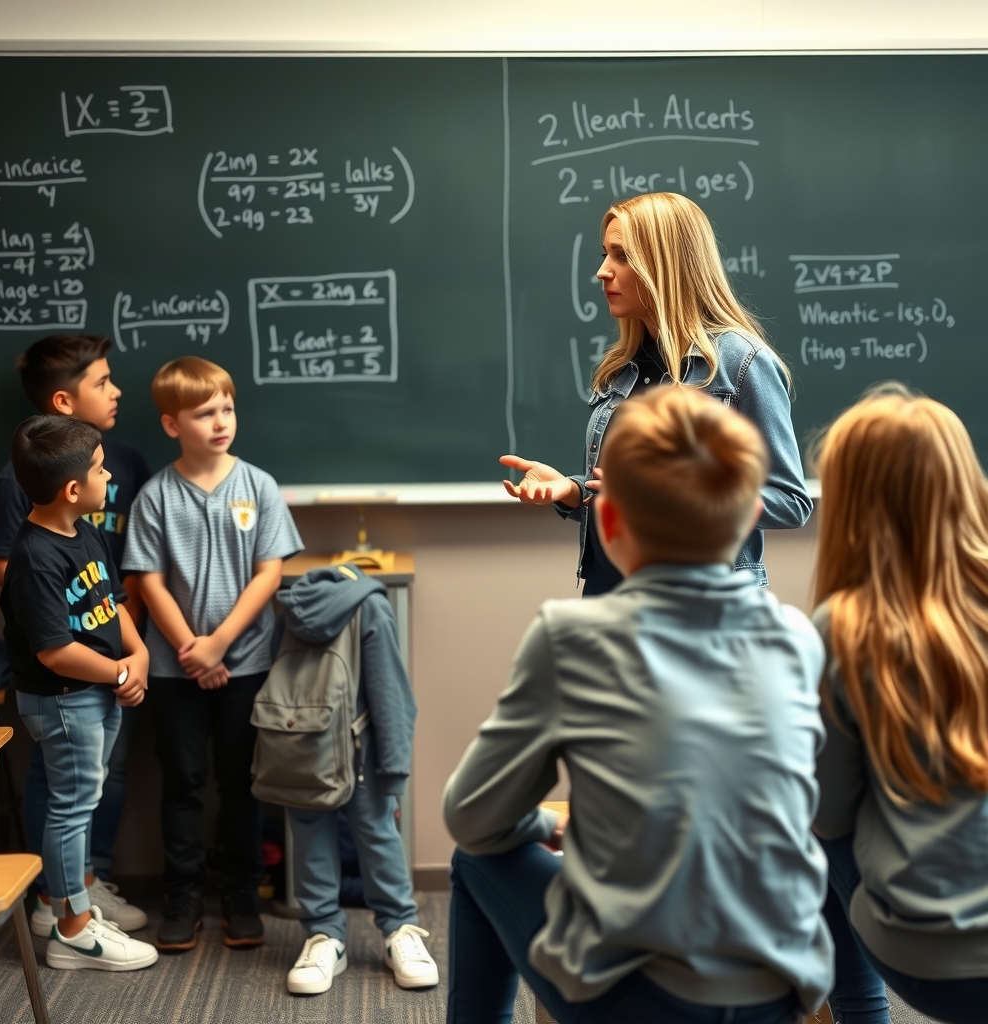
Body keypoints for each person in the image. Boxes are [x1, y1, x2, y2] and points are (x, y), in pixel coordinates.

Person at [444, 386, 832, 1024]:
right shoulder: (796, 635)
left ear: (612, 522)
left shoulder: (571, 636)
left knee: (474, 856)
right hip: (779, 991)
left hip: (637, 1000)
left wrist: (545, 826)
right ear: (744, 518)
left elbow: (471, 816)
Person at [501, 192, 811, 594]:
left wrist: (675, 496)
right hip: (608, 598)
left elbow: (790, 501)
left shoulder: (740, 362)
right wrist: (572, 489)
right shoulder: (622, 365)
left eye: (622, 256)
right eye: (604, 254)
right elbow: (627, 494)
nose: (602, 272)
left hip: (702, 609)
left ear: (665, 266)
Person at [811, 385, 988, 1024]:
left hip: (933, 962)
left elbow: (829, 815)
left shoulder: (845, 628)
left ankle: (862, 1014)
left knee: (809, 830)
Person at [123, 356, 302, 951]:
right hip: (175, 671)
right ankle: (182, 898)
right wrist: (189, 650)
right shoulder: (155, 497)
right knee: (182, 782)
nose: (221, 421)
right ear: (173, 425)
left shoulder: (259, 485)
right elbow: (148, 581)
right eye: (205, 413)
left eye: (227, 407)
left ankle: (242, 895)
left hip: (244, 663)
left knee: (241, 783)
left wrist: (219, 645)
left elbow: (269, 573)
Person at [0, 334, 151, 936]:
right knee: (69, 805)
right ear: (74, 489)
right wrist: (121, 671)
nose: (112, 477)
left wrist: (135, 653)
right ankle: (69, 924)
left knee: (83, 799)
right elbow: (55, 645)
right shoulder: (36, 549)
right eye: (101, 471)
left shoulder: (85, 530)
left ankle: (77, 902)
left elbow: (109, 598)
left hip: (101, 687)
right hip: (67, 693)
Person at [279, 565, 439, 994]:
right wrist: (395, 772)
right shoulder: (372, 604)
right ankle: (399, 929)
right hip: (360, 746)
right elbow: (390, 694)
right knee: (378, 830)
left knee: (309, 832)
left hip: (297, 745)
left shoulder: (287, 605)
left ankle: (324, 934)